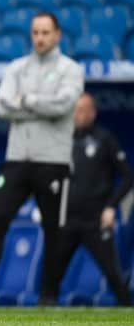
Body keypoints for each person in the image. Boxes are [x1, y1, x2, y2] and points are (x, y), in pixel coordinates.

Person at [0, 12, 84, 308]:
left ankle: (48, 296)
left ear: (57, 35)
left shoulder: (71, 69)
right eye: (35, 32)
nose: (40, 38)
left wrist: (26, 100)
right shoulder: (17, 68)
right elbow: (4, 107)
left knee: (54, 230)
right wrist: (39, 103)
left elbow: (64, 105)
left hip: (53, 160)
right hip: (17, 159)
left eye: (45, 32)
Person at [40, 93, 132, 306]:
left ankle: (128, 312)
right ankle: (42, 318)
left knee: (113, 275)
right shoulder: (62, 140)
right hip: (67, 221)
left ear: (93, 113)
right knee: (51, 276)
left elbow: (128, 176)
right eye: (75, 110)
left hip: (95, 221)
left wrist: (111, 206)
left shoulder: (104, 139)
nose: (78, 115)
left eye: (83, 110)